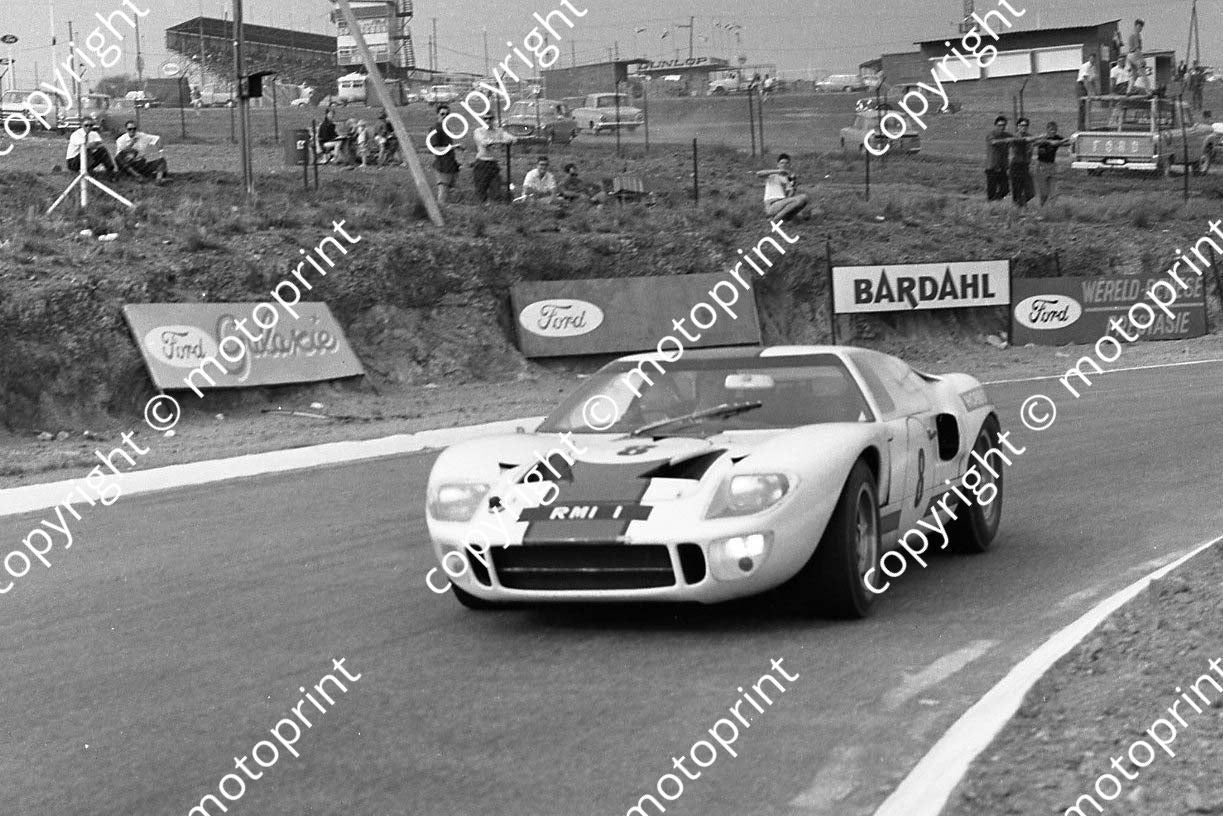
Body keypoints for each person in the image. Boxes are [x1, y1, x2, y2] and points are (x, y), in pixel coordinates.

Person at [472, 112, 515, 203]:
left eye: (490, 118)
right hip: (482, 164)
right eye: (485, 119)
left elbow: (512, 138)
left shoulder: (499, 131)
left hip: (493, 164)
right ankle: (482, 210)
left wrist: (506, 140)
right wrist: (502, 142)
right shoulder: (478, 131)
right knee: (481, 191)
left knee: (496, 190)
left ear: (493, 120)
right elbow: (484, 142)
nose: (488, 121)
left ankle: (495, 209)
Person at [754, 153, 809, 222]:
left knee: (803, 202)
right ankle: (775, 219)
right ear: (778, 165)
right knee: (803, 197)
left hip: (783, 204)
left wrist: (793, 187)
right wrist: (778, 171)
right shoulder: (772, 175)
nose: (784, 165)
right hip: (772, 204)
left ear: (789, 165)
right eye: (782, 163)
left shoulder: (788, 179)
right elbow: (759, 174)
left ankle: (780, 218)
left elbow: (789, 198)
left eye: (786, 163)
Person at [428, 104, 464, 204]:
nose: (444, 116)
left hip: (451, 164)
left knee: (455, 194)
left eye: (447, 114)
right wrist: (453, 147)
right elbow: (435, 148)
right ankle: (441, 212)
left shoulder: (446, 128)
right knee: (443, 194)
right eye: (442, 114)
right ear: (437, 115)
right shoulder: (435, 129)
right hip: (442, 165)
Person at [1032, 121, 1071, 206]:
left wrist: (1065, 142)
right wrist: (1047, 141)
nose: (1053, 132)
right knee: (1044, 193)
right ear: (1047, 130)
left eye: (1055, 130)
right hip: (1041, 165)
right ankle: (1041, 207)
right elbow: (1034, 143)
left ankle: (1052, 208)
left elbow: (1067, 143)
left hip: (1052, 165)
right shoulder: (1042, 137)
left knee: (1054, 191)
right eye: (1051, 130)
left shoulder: (1057, 137)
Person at [1008, 117, 1035, 207]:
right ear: (1018, 126)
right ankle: (1018, 209)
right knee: (1017, 190)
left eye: (1026, 125)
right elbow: (1014, 150)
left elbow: (1031, 150)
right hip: (1016, 166)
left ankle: (1021, 204)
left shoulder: (1030, 136)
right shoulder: (1014, 137)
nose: (1024, 127)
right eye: (1022, 125)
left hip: (1025, 166)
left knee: (1031, 192)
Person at [985, 115, 1012, 201]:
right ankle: (991, 205)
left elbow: (1018, 139)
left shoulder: (1007, 135)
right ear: (995, 125)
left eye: (1003, 125)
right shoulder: (991, 135)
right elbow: (993, 142)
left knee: (1005, 190)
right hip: (992, 167)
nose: (1002, 127)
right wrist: (1006, 141)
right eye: (999, 125)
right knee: (991, 191)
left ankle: (995, 201)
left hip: (1002, 167)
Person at [1126, 19, 1149, 95]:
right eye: (1139, 26)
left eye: (1141, 27)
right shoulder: (1136, 34)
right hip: (1135, 54)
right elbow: (1137, 48)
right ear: (1136, 26)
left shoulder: (1131, 34)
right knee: (1143, 73)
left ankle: (1128, 91)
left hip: (1129, 55)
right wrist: (1142, 59)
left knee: (1134, 75)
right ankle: (1149, 92)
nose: (1140, 28)